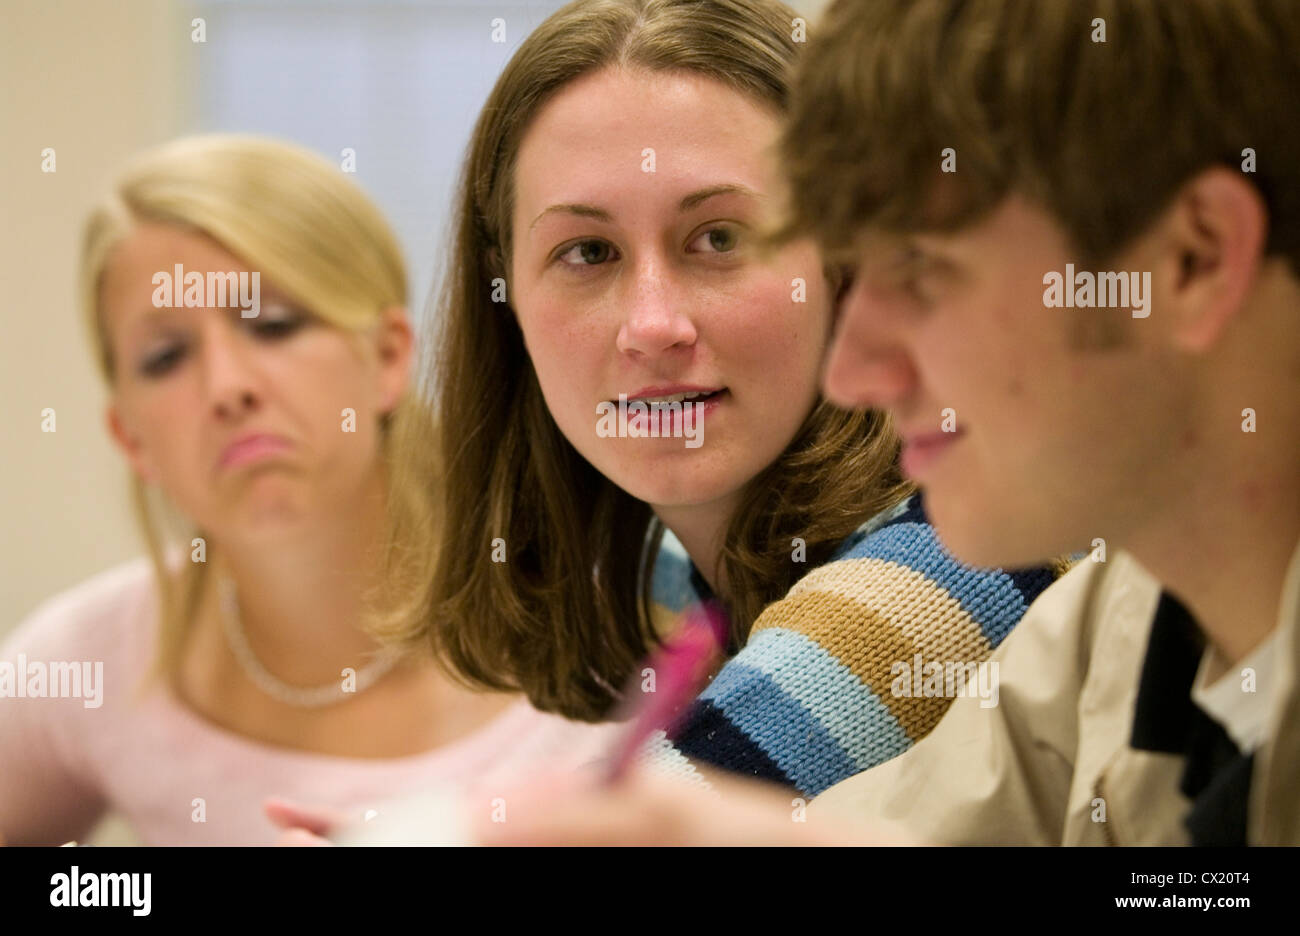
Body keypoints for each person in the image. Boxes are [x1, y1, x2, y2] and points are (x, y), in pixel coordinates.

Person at [472, 0, 1300, 845]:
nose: (854, 368)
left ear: (1194, 261)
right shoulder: (1107, 636)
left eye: (922, 269)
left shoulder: (984, 559)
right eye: (587, 253)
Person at [369, 0, 1061, 802]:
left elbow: (647, 829)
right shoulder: (661, 556)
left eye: (720, 238)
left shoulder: (960, 553)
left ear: (843, 256)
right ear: (507, 294)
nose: (652, 325)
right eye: (588, 252)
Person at [0, 135, 622, 846]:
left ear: (388, 356)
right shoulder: (90, 661)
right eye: (166, 356)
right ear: (130, 437)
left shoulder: (606, 634)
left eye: (271, 324)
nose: (227, 387)